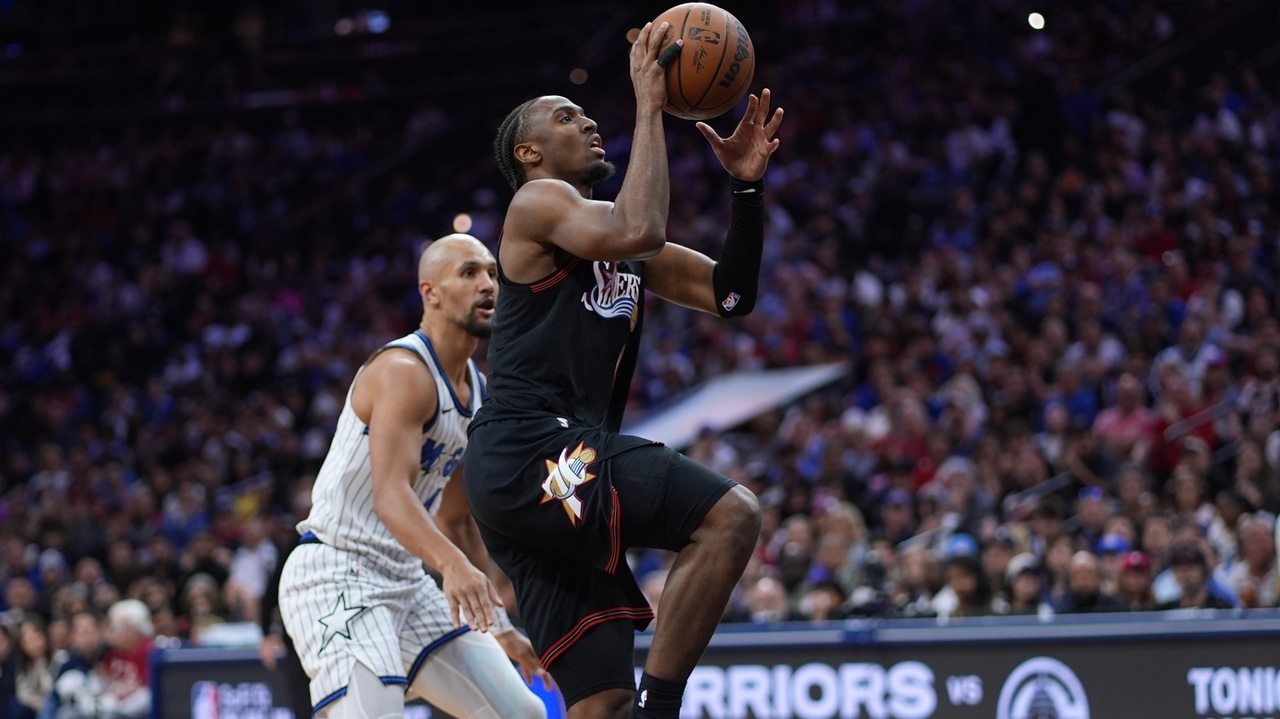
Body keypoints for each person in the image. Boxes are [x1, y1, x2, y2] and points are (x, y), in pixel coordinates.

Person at [468, 22, 781, 719]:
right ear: (531, 152)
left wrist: (746, 192)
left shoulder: (615, 229)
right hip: (532, 447)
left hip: (541, 471)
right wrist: (651, 103)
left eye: (584, 113)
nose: (587, 122)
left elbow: (731, 295)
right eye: (565, 117)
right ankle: (662, 709)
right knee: (731, 515)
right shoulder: (537, 202)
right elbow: (639, 229)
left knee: (600, 704)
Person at [278, 235, 548, 719]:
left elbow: (457, 517)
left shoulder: (478, 392)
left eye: (491, 272)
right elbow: (390, 495)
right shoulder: (403, 370)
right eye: (468, 273)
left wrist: (498, 620)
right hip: (338, 573)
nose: (487, 284)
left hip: (406, 579)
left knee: (521, 714)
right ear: (431, 293)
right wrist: (452, 566)